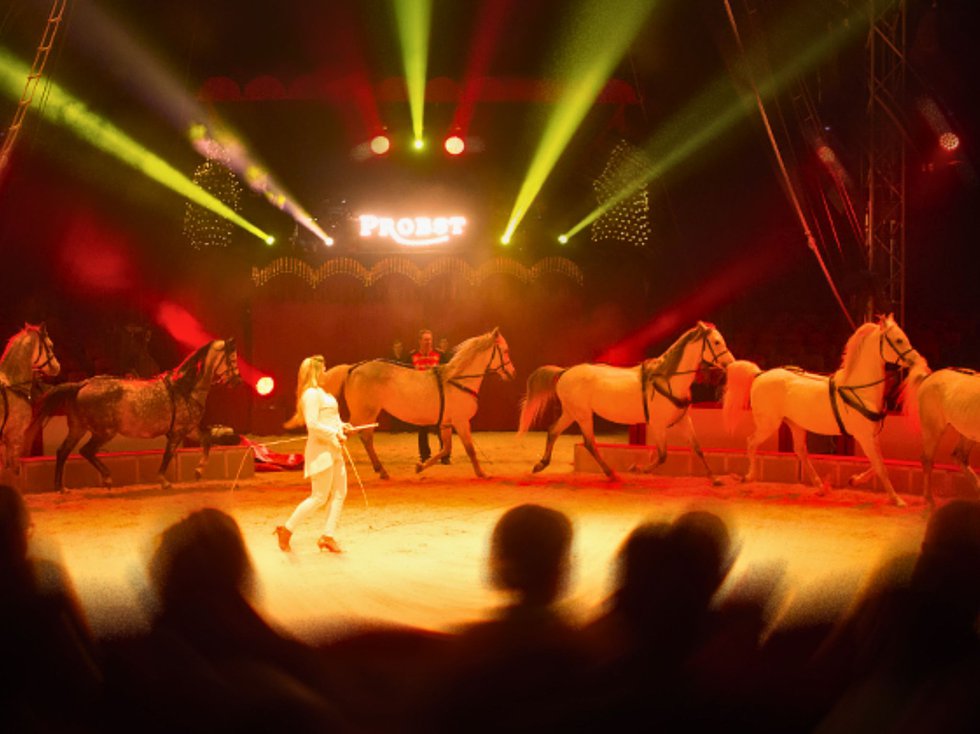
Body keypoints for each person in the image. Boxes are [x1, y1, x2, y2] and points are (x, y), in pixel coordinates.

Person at [275, 355, 352, 554]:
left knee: (339, 493)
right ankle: (287, 529)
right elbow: (313, 424)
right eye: (324, 368)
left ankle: (328, 536)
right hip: (321, 451)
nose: (326, 372)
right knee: (319, 497)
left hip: (335, 448)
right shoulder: (310, 394)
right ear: (317, 371)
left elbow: (331, 419)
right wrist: (334, 432)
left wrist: (342, 426)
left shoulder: (323, 394)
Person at [410, 329, 446, 464]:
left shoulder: (439, 355)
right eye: (425, 340)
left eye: (430, 339)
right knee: (422, 427)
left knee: (441, 426)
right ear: (420, 341)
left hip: (436, 396)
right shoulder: (412, 356)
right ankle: (425, 455)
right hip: (420, 396)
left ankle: (445, 455)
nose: (428, 342)